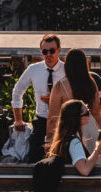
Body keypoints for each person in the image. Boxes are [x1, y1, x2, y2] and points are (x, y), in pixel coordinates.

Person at [12, 33, 65, 161]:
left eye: (52, 51)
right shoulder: (34, 69)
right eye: (44, 51)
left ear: (59, 50)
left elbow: (75, 96)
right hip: (41, 121)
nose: (48, 54)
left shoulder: (66, 69)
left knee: (60, 160)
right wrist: (18, 119)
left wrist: (54, 101)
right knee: (36, 159)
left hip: (62, 122)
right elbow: (17, 91)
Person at [47, 49, 101, 157]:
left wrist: (49, 139)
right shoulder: (91, 83)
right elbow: (96, 112)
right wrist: (99, 133)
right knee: (92, 164)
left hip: (68, 132)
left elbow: (53, 117)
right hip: (90, 130)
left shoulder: (60, 86)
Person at [50, 99, 101, 176]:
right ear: (76, 118)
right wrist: (98, 149)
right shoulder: (74, 142)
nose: (89, 115)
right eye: (87, 113)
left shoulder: (64, 138)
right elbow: (85, 169)